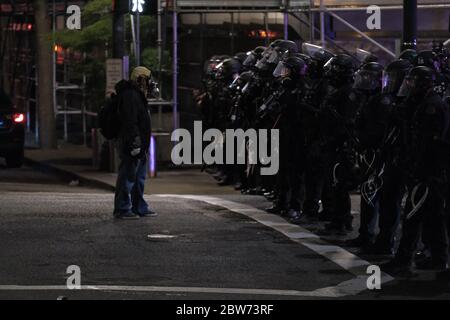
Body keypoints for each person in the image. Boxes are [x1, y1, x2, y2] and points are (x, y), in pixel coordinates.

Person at [383, 66, 449, 274]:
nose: (408, 85)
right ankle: (438, 258)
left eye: (412, 82)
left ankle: (404, 259)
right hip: (426, 170)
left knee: (412, 215)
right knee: (431, 216)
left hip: (428, 171)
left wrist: (418, 168)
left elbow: (429, 143)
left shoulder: (432, 106)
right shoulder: (424, 103)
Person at [113, 66, 157, 220]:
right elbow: (130, 121)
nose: (150, 84)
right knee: (128, 176)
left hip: (139, 143)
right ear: (140, 80)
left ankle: (139, 206)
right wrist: (135, 142)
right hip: (132, 143)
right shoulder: (131, 95)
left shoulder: (136, 95)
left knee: (138, 177)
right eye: (147, 80)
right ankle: (122, 208)